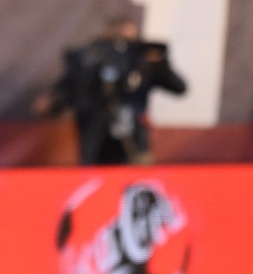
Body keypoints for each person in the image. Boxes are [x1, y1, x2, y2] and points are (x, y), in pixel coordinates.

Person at [33, 15, 186, 165]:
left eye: (128, 43)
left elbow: (179, 88)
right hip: (96, 142)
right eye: (117, 41)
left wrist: (160, 65)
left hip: (134, 144)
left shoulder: (140, 60)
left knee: (138, 182)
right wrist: (52, 101)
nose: (121, 50)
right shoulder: (89, 59)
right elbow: (66, 91)